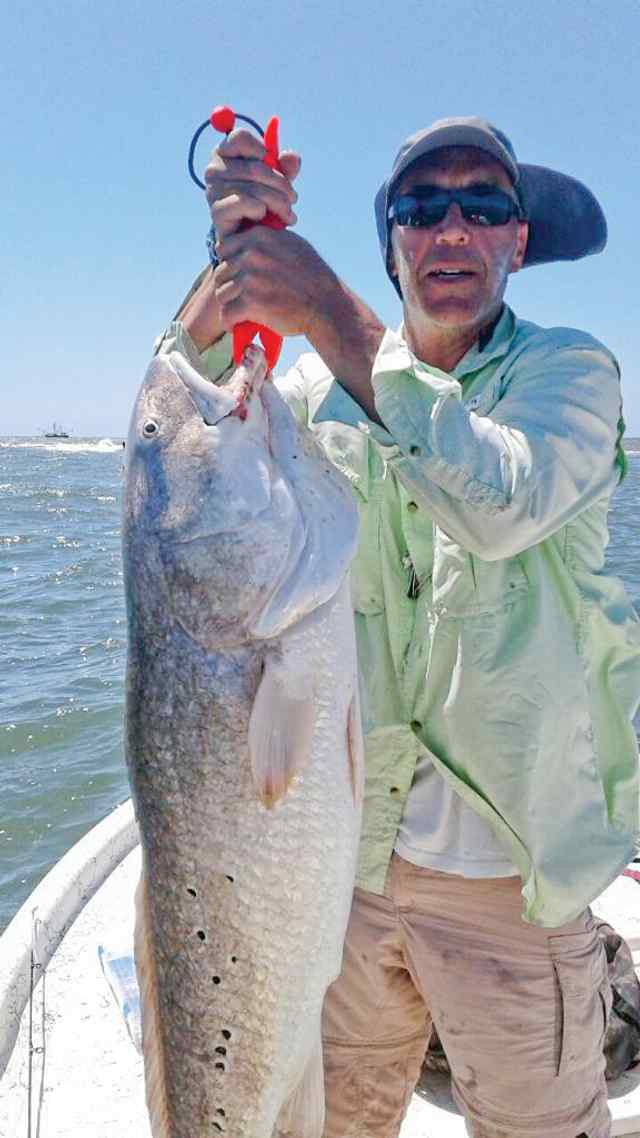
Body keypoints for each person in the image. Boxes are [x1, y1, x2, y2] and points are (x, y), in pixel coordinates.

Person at [155, 117, 640, 1138]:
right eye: (422, 209)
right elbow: (186, 419)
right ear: (394, 246)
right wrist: (231, 260)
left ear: (517, 240)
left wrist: (325, 303)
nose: (451, 228)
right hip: (347, 871)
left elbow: (498, 500)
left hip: (509, 885)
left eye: (484, 206)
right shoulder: (304, 399)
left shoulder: (573, 380)